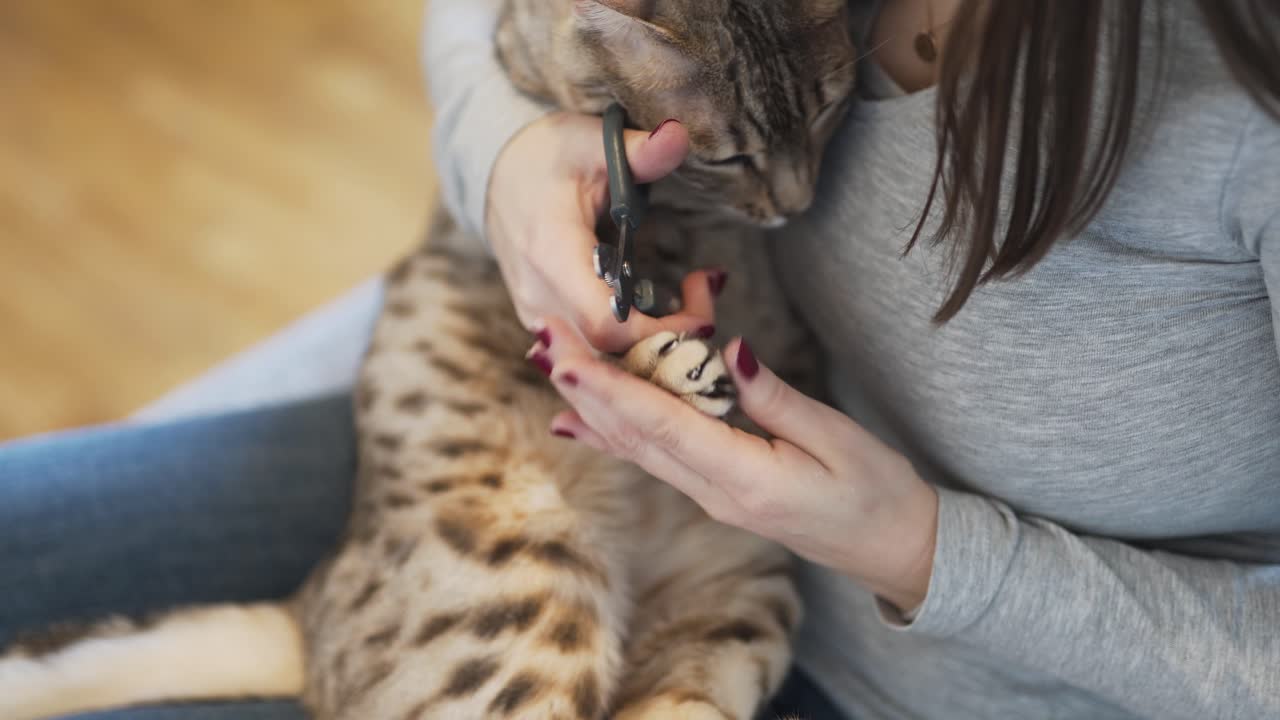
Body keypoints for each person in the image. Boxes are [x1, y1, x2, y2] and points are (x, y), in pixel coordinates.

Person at [0, 0, 1275, 718]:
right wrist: (509, 161)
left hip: (921, 664)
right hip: (567, 428)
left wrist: (925, 550)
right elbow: (495, 16)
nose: (786, 200)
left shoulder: (1233, 105)